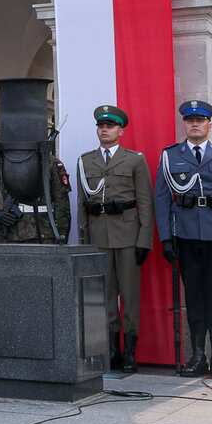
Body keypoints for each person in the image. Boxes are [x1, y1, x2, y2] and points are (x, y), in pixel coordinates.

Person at [154, 100, 212, 381]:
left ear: (209, 125)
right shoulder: (170, 156)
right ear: (184, 125)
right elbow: (161, 199)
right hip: (184, 235)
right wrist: (166, 238)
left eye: (200, 120)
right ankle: (198, 356)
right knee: (194, 297)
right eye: (189, 120)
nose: (194, 124)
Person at [76, 105, 154, 373]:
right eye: (100, 126)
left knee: (130, 297)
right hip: (99, 237)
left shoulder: (134, 160)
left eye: (109, 126)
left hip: (128, 236)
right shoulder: (85, 161)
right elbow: (82, 204)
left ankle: (130, 350)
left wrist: (145, 240)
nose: (104, 130)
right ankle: (113, 350)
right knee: (106, 297)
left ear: (121, 130)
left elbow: (145, 202)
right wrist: (85, 242)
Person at [0, 151, 71, 244]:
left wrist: (61, 235)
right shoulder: (3, 162)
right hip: (11, 231)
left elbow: (61, 204)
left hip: (43, 233)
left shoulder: (50, 163)